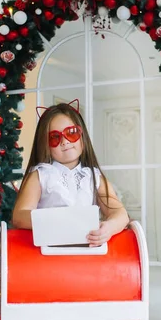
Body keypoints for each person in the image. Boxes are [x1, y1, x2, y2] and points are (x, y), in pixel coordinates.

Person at [12, 101, 129, 246]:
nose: (65, 142)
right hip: (48, 255)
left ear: (82, 136)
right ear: (45, 144)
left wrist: (109, 228)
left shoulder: (94, 176)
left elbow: (120, 213)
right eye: (55, 137)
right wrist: (55, 220)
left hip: (88, 254)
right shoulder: (40, 175)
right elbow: (19, 215)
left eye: (71, 133)